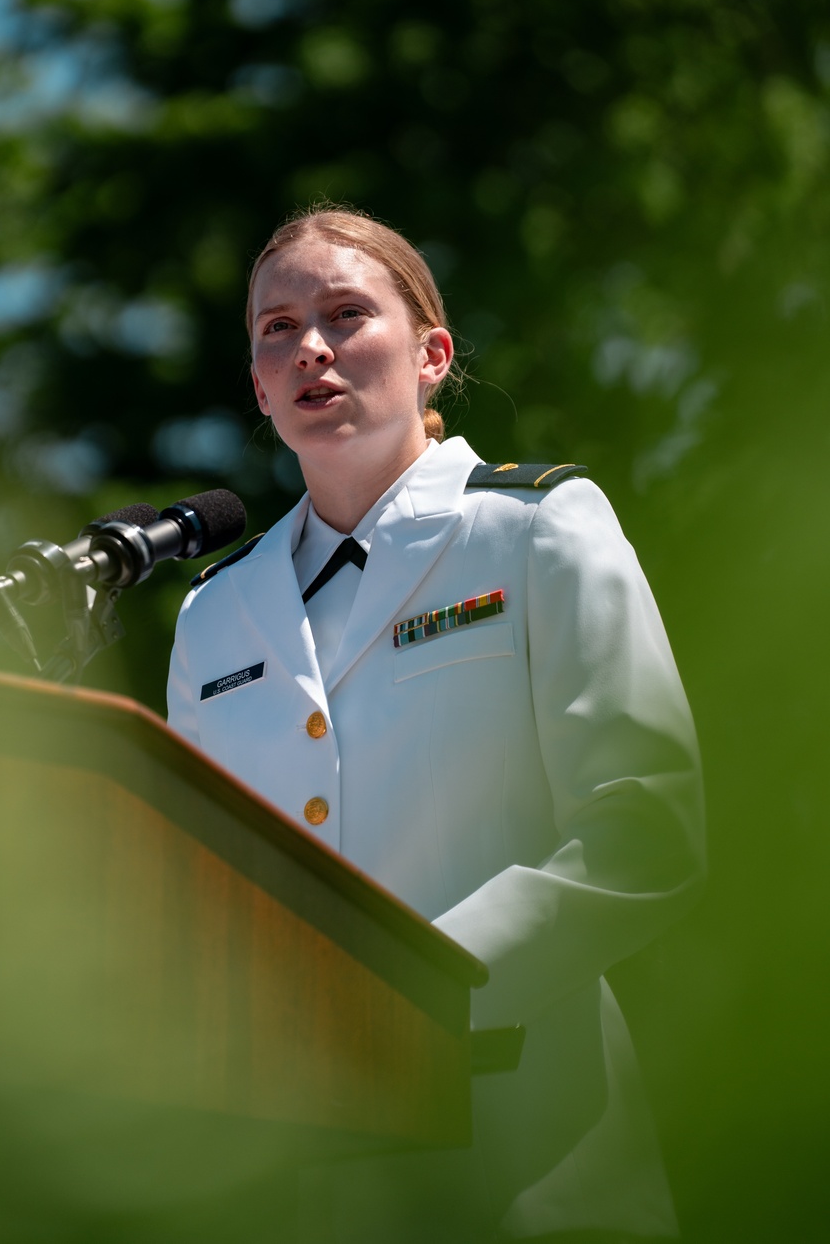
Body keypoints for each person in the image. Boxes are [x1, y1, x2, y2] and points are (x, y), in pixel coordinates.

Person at [166, 207, 706, 1243]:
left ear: (431, 355)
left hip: (527, 1145)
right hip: (295, 1175)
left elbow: (645, 828)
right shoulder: (213, 611)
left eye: (345, 312)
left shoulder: (538, 524)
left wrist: (409, 996)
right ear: (257, 385)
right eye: (276, 328)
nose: (309, 345)